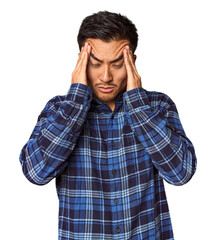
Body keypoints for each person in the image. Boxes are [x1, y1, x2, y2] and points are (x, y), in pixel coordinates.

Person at [19, 10, 197, 240]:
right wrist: (75, 102)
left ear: (132, 61)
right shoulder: (59, 110)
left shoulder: (158, 106)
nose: (105, 76)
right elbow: (35, 173)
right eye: (95, 64)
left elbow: (180, 173)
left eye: (117, 64)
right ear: (81, 62)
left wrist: (138, 106)